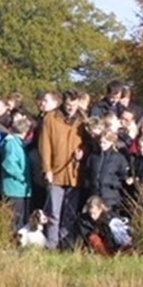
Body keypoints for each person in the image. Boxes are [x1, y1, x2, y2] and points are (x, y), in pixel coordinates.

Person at [38, 91, 85, 249]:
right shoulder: (50, 118)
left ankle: (66, 244)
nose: (71, 108)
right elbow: (45, 145)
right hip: (55, 171)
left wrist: (83, 151)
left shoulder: (82, 119)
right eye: (69, 105)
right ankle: (52, 244)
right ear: (63, 103)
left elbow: (88, 142)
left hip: (74, 172)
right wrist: (47, 169)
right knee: (53, 212)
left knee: (70, 212)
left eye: (75, 105)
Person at [0, 117, 33, 231]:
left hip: (21, 188)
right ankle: (12, 238)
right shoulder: (11, 143)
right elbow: (9, 164)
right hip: (14, 187)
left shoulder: (19, 144)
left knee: (21, 217)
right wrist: (22, 177)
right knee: (15, 218)